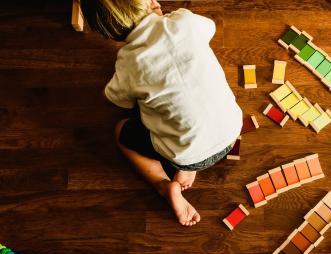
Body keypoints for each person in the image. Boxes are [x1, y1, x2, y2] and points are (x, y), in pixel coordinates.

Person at [80, 0, 242, 226]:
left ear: (108, 33)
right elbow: (210, 28)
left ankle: (163, 184)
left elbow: (118, 98)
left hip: (188, 154)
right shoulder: (184, 21)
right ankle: (185, 169)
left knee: (121, 131)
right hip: (232, 130)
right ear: (150, 4)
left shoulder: (127, 65)